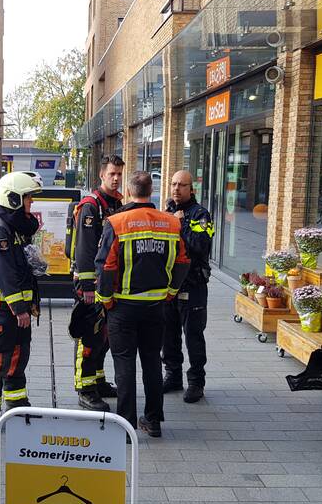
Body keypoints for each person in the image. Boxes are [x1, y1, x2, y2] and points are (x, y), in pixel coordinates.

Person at [95, 171, 188, 438]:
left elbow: (107, 266)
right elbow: (183, 261)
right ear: (152, 190)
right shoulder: (171, 223)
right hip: (156, 306)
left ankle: (126, 426)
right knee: (151, 363)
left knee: (124, 365)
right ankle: (154, 420)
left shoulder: (116, 222)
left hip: (122, 307)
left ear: (129, 189)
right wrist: (170, 291)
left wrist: (106, 300)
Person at [0, 171, 42, 433]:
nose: (31, 203)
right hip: (2, 308)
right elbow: (4, 272)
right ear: (14, 198)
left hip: (19, 309)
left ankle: (16, 404)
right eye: (28, 198)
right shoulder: (0, 228)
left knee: (18, 355)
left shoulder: (15, 226)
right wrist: (19, 308)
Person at [70, 155, 124, 411]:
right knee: (89, 338)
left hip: (108, 285)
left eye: (119, 174)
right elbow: (85, 249)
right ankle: (85, 388)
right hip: (91, 286)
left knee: (104, 338)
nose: (116, 178)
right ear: (102, 174)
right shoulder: (92, 206)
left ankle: (99, 381)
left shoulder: (116, 204)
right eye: (112, 173)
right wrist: (88, 288)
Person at [161, 170, 214, 403]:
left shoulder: (201, 214)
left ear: (191, 189)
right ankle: (172, 376)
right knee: (168, 334)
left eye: (181, 185)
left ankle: (196, 382)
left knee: (193, 334)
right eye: (173, 184)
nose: (176, 189)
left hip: (193, 285)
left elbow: (200, 246)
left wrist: (181, 224)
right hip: (169, 284)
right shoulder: (167, 212)